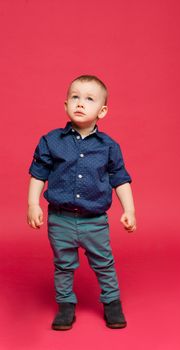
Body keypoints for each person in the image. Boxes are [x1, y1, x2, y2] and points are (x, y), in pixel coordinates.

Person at [27, 74, 137, 331]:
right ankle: (66, 306)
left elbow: (120, 179)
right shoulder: (51, 141)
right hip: (60, 218)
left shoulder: (109, 146)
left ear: (102, 110)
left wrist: (129, 209)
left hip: (94, 221)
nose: (80, 103)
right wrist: (33, 204)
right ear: (65, 104)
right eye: (75, 97)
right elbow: (38, 174)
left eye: (89, 99)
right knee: (63, 264)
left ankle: (112, 303)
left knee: (104, 262)